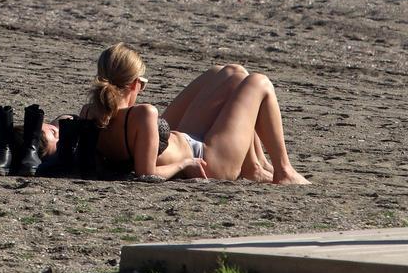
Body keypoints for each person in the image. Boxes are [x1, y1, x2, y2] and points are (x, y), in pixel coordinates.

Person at [83, 43, 309, 184]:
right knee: (259, 82)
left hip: (184, 142)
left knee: (232, 73)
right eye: (143, 84)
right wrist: (184, 165)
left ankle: (256, 165)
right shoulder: (143, 114)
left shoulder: (90, 114)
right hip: (208, 158)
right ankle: (284, 171)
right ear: (134, 84)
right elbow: (146, 173)